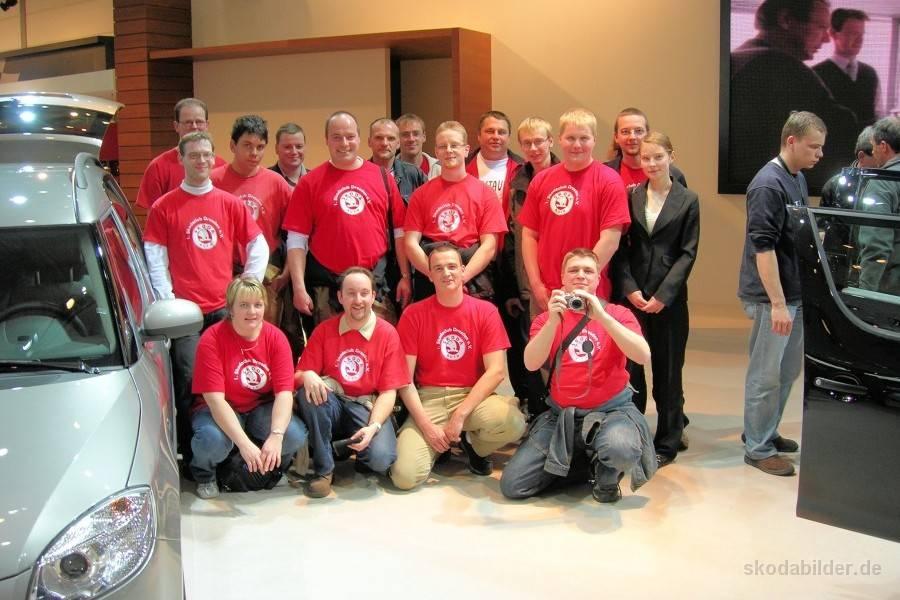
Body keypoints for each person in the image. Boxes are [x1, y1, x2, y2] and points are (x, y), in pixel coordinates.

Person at [143, 130, 268, 465]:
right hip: (185, 315)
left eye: (206, 155)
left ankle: (232, 451)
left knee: (230, 380)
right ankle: (190, 453)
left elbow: (258, 245)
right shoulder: (164, 206)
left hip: (224, 310)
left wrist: (248, 287)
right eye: (194, 155)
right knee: (188, 383)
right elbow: (154, 255)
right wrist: (168, 300)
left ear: (214, 158)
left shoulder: (230, 203)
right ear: (181, 159)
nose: (201, 161)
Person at [500, 249, 655, 503]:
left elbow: (643, 355)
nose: (581, 275)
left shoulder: (618, 314)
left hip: (611, 412)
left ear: (598, 278)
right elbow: (531, 363)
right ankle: (585, 462)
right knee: (513, 485)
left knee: (621, 449)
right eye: (573, 270)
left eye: (588, 271)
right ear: (562, 277)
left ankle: (605, 470)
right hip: (562, 415)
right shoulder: (546, 319)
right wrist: (552, 321)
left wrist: (602, 317)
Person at [390, 243, 526, 490]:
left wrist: (460, 415)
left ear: (463, 270)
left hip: (472, 397)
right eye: (438, 268)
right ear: (429, 275)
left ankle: (473, 444)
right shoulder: (413, 314)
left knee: (514, 424)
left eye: (452, 266)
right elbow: (404, 379)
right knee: (404, 477)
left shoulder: (486, 311)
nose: (446, 273)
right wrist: (427, 428)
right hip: (429, 399)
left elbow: (496, 371)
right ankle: (438, 445)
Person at [739, 111, 826, 476]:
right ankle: (757, 448)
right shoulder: (767, 185)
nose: (819, 154)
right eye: (813, 147)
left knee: (787, 370)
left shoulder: (797, 178)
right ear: (792, 141)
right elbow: (764, 248)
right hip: (772, 298)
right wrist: (777, 304)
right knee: (765, 373)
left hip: (794, 294)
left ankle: (765, 431)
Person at [614, 132, 700, 467]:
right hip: (634, 296)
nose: (651, 163)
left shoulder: (688, 200)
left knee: (668, 372)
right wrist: (630, 288)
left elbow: (688, 253)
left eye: (658, 157)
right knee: (632, 371)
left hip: (670, 300)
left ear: (671, 157)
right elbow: (622, 248)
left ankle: (667, 441)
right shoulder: (631, 195)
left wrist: (664, 295)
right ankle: (633, 433)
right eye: (646, 158)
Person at [283, 111, 411, 326]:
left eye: (350, 136)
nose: (344, 143)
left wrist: (405, 277)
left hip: (375, 285)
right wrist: (298, 288)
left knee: (379, 345)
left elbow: (399, 232)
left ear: (360, 139)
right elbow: (296, 241)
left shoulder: (383, 178)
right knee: (331, 346)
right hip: (327, 288)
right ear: (326, 140)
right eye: (337, 137)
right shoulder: (309, 183)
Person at [295, 267, 410, 497]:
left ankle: (351, 450)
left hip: (366, 406)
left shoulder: (387, 333)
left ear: (373, 296)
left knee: (381, 458)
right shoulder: (324, 330)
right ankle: (324, 470)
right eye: (351, 293)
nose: (358, 300)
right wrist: (307, 375)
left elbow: (389, 392)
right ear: (340, 297)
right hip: (333, 403)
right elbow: (297, 375)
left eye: (364, 293)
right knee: (309, 394)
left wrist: (374, 426)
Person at [189, 277, 308, 499]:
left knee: (293, 434)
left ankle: (273, 469)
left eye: (258, 305)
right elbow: (215, 400)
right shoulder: (211, 339)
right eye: (244, 305)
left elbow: (284, 393)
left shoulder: (276, 338)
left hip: (258, 408)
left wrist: (276, 436)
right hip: (219, 407)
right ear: (230, 309)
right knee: (212, 440)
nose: (252, 312)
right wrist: (244, 444)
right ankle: (205, 475)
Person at [729, 0, 857, 191]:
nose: (825, 39)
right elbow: (844, 131)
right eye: (820, 27)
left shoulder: (732, 61)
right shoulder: (783, 68)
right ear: (786, 19)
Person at [520, 108, 630, 310]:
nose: (577, 145)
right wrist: (535, 284)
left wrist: (578, 283)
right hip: (546, 294)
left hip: (590, 293)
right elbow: (529, 235)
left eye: (584, 138)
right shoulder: (541, 180)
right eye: (570, 138)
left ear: (594, 140)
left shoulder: (609, 180)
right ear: (559, 139)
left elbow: (610, 240)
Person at [404, 121, 507, 301]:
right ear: (436, 152)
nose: (449, 150)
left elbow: (489, 246)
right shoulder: (420, 194)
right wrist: (435, 274)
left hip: (472, 276)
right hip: (430, 276)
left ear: (466, 150)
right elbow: (411, 243)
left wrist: (461, 277)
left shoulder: (485, 193)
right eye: (443, 146)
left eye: (454, 145)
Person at [502, 117, 560, 419]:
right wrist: (515, 287)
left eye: (539, 141)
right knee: (533, 346)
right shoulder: (517, 185)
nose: (534, 148)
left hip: (561, 276)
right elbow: (513, 238)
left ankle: (563, 410)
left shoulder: (565, 177)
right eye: (527, 143)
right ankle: (537, 412)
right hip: (529, 281)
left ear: (551, 141)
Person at [211, 115, 293, 310]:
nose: (254, 153)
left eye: (260, 147)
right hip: (224, 269)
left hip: (268, 270)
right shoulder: (213, 181)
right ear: (233, 146)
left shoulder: (277, 183)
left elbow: (294, 233)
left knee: (263, 325)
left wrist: (287, 272)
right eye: (247, 145)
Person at [136, 97, 226, 209]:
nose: (194, 126)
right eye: (188, 122)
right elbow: (153, 212)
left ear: (207, 125)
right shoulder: (158, 167)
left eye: (199, 122)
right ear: (176, 126)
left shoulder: (220, 165)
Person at [813, 8, 880, 127]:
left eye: (862, 34)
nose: (860, 40)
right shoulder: (815, 74)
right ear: (833, 34)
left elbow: (879, 115)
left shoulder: (871, 73)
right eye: (853, 34)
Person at [857, 117, 900, 295]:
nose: (873, 152)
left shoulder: (883, 182)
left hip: (891, 287)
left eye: (873, 146)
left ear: (883, 146)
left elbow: (877, 243)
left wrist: (865, 294)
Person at [603, 107, 687, 193]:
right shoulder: (603, 173)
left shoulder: (674, 175)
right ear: (616, 137)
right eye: (625, 132)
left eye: (639, 131)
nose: (632, 137)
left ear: (647, 134)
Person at [465, 110, 523, 218]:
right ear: (479, 136)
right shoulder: (463, 167)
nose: (496, 137)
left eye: (501, 132)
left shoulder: (523, 170)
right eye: (490, 131)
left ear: (508, 137)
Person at [368, 118, 427, 205]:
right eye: (379, 138)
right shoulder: (360, 175)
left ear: (398, 143)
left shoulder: (415, 174)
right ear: (369, 142)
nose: (384, 143)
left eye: (391, 138)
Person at [819, 125, 877, 207]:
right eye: (879, 157)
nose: (887, 164)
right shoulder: (834, 186)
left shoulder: (890, 183)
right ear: (861, 156)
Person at [396, 113, 441, 179]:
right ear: (397, 139)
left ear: (424, 136)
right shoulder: (389, 171)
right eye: (405, 134)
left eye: (416, 134)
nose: (411, 139)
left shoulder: (440, 169)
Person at [269, 122, 308, 186]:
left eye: (299, 146)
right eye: (287, 147)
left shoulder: (315, 178)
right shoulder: (265, 179)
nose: (294, 152)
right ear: (276, 149)